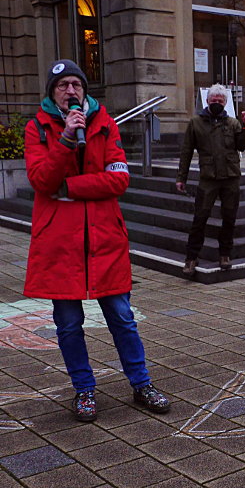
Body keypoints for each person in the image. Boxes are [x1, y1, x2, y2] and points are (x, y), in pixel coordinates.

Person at [24, 59, 170, 421]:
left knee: (122, 317)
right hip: (61, 244)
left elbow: (119, 178)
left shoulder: (104, 125)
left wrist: (70, 187)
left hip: (104, 240)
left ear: (85, 90)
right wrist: (64, 140)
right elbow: (42, 180)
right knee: (69, 324)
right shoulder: (37, 129)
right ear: (52, 92)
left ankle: (142, 383)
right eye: (63, 85)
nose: (70, 91)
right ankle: (84, 390)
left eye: (76, 84)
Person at [176, 84, 245, 276]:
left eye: (220, 101)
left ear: (225, 103)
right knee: (200, 218)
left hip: (231, 177)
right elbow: (186, 152)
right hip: (208, 178)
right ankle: (191, 258)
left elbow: (242, 146)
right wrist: (181, 177)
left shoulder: (234, 123)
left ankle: (225, 254)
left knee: (229, 217)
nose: (217, 103)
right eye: (214, 100)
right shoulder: (196, 123)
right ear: (207, 101)